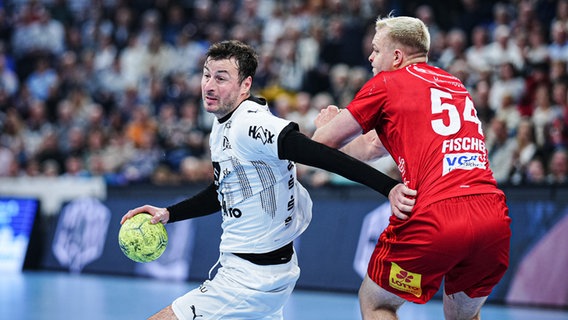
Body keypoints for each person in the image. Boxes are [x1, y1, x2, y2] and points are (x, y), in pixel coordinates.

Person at [120, 40, 416, 320]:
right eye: (206, 75)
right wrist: (169, 214)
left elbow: (319, 154)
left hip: (250, 279)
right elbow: (223, 191)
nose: (209, 86)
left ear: (245, 85)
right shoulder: (223, 124)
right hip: (261, 272)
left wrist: (388, 187)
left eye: (221, 78)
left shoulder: (251, 123)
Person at [311, 16, 511, 320]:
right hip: (492, 218)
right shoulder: (453, 85)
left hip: (437, 216)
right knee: (463, 317)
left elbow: (321, 144)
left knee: (376, 301)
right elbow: (367, 148)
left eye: (376, 50)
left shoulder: (387, 83)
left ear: (396, 57)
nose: (370, 57)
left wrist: (325, 123)